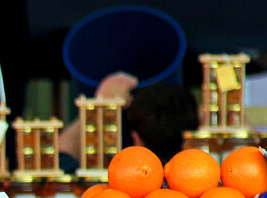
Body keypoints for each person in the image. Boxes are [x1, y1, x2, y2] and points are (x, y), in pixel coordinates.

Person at [58, 72, 199, 167]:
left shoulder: (112, 188)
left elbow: (61, 156)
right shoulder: (206, 185)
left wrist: (101, 103)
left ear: (135, 138)